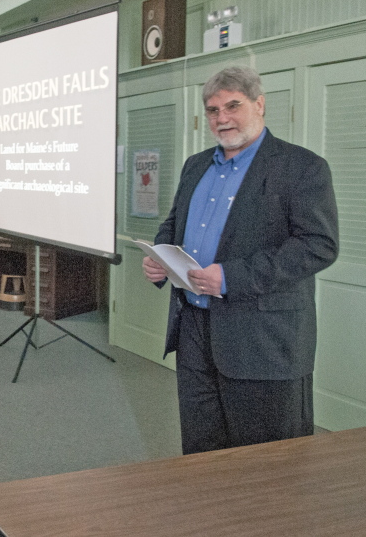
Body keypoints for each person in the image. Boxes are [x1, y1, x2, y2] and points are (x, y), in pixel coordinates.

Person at [142, 66, 339, 455]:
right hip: (195, 329)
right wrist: (161, 256)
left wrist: (232, 277)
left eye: (233, 106)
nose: (222, 118)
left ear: (259, 104)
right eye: (213, 110)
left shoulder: (301, 167)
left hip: (263, 338)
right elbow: (173, 222)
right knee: (202, 445)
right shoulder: (195, 165)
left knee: (266, 458)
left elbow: (318, 244)